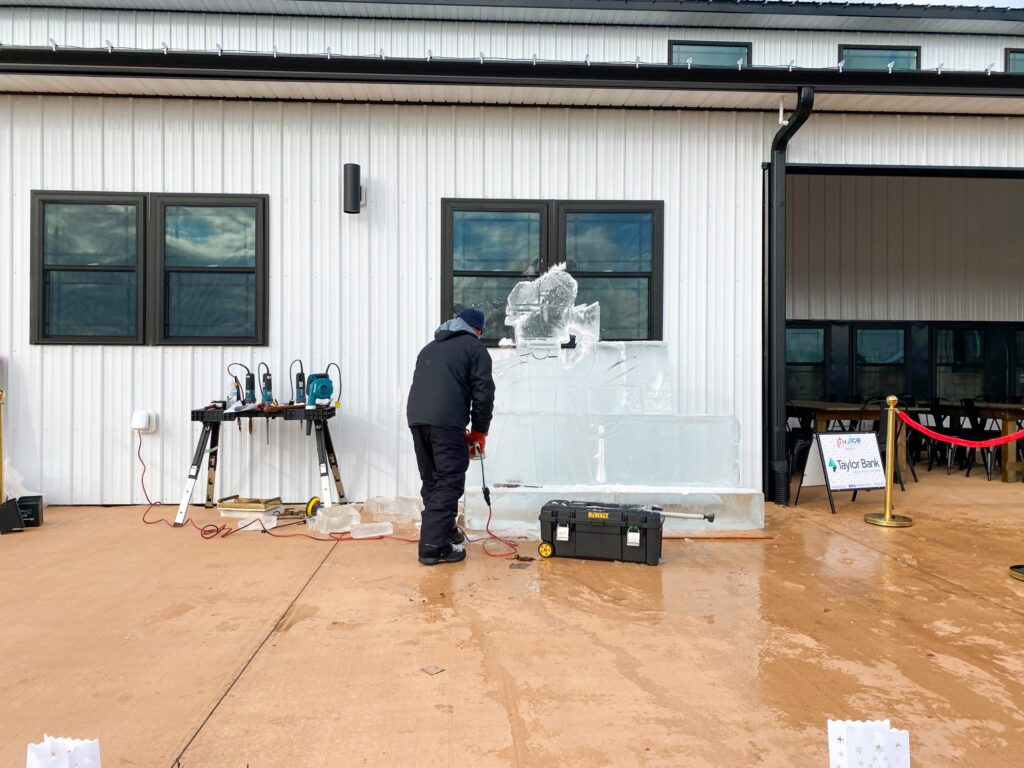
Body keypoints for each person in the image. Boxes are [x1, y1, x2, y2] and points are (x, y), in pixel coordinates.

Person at [406, 308, 495, 565]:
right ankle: (433, 546)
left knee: (433, 479)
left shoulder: (430, 347)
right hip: (445, 421)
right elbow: (483, 394)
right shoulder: (474, 348)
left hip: (417, 419)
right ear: (476, 330)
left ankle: (444, 530)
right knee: (449, 479)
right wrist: (479, 432)